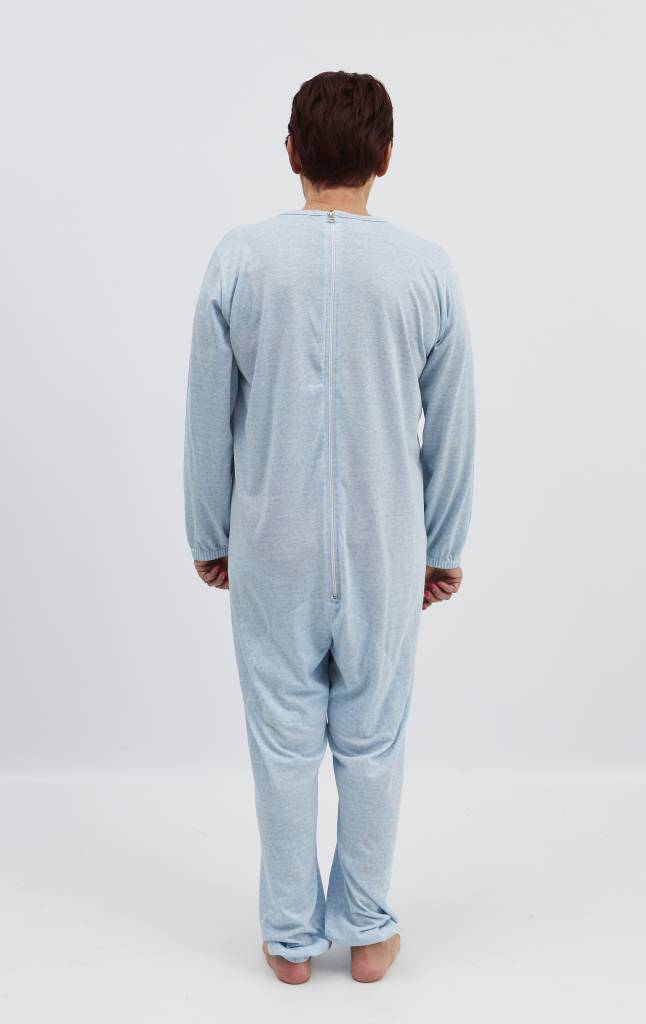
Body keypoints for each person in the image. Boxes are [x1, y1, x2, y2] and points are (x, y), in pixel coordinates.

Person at [183, 70, 475, 985]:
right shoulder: (427, 270)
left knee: (282, 742)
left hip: (271, 544)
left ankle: (289, 937)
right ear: (385, 157)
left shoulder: (241, 260)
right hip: (387, 545)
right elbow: (453, 424)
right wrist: (444, 545)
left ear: (291, 154)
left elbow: (206, 412)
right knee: (374, 740)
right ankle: (369, 931)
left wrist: (210, 533)